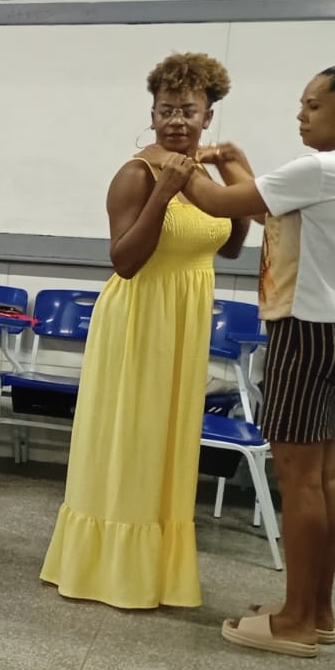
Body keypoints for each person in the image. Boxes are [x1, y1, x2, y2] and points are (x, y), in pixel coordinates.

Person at [157, 65, 335, 657]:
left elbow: (220, 203)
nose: (301, 114)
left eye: (313, 105)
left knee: (298, 481)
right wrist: (232, 160)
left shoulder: (323, 169)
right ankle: (317, 611)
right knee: (322, 477)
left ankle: (294, 622)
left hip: (306, 331)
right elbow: (264, 207)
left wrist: (181, 163)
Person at [40, 53, 250, 611]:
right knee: (130, 440)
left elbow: (230, 247)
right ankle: (108, 569)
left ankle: (156, 568)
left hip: (184, 321)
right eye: (166, 110)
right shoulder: (138, 173)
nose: (176, 121)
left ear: (208, 117)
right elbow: (125, 261)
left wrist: (236, 182)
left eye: (188, 110)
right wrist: (163, 193)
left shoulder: (202, 174)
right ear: (152, 114)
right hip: (138, 320)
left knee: (166, 443)